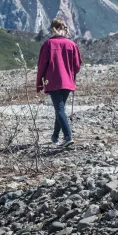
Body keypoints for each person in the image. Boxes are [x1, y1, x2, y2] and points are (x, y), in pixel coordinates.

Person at [36, 18, 82, 148]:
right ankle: (55, 135)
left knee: (59, 109)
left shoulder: (48, 44)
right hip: (68, 82)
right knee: (60, 108)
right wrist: (71, 74)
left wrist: (39, 83)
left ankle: (68, 136)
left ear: (52, 29)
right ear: (64, 29)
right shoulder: (72, 44)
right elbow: (77, 65)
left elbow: (42, 66)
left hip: (53, 81)